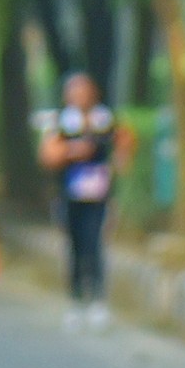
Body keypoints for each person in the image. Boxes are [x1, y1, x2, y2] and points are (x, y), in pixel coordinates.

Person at [36, 71, 131, 327]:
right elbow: (48, 155)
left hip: (99, 195)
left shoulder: (105, 121)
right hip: (70, 195)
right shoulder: (62, 123)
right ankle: (76, 299)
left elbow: (124, 140)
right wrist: (71, 152)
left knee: (95, 243)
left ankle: (98, 300)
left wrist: (119, 162)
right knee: (75, 246)